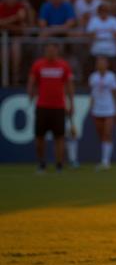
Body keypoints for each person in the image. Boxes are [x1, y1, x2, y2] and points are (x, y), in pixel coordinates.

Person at [28, 41, 74, 174]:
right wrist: (30, 94)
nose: (51, 52)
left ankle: (59, 164)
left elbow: (69, 85)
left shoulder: (63, 66)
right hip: (42, 106)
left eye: (53, 50)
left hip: (59, 107)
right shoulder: (38, 65)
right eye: (48, 50)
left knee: (59, 137)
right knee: (39, 138)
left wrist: (71, 103)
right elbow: (32, 81)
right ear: (44, 51)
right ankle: (41, 163)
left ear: (57, 51)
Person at [88, 55, 116, 171]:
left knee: (107, 133)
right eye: (99, 62)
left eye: (102, 62)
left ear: (107, 64)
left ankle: (106, 161)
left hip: (109, 109)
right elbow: (92, 93)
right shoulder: (93, 77)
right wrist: (91, 107)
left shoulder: (111, 77)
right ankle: (104, 158)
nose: (100, 64)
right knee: (101, 134)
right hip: (97, 109)